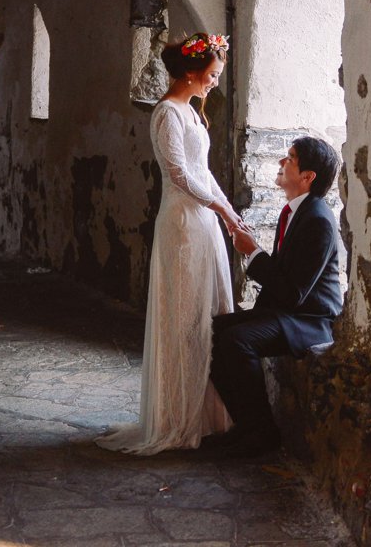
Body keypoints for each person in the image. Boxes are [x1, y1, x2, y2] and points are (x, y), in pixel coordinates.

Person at [97, 32, 246, 455]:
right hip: (182, 222)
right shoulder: (167, 113)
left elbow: (203, 170)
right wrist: (216, 208)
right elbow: (179, 173)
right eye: (212, 75)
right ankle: (177, 418)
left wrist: (228, 210)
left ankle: (210, 414)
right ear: (189, 72)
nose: (215, 82)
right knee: (184, 318)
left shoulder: (194, 113)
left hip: (204, 220)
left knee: (210, 314)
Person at [206, 136, 343, 458]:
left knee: (237, 340)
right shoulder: (294, 211)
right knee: (212, 330)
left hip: (311, 319)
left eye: (291, 159)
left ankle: (263, 433)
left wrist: (252, 253)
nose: (282, 163)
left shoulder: (319, 220)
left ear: (308, 177)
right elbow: (284, 283)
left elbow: (293, 293)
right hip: (288, 311)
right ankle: (246, 427)